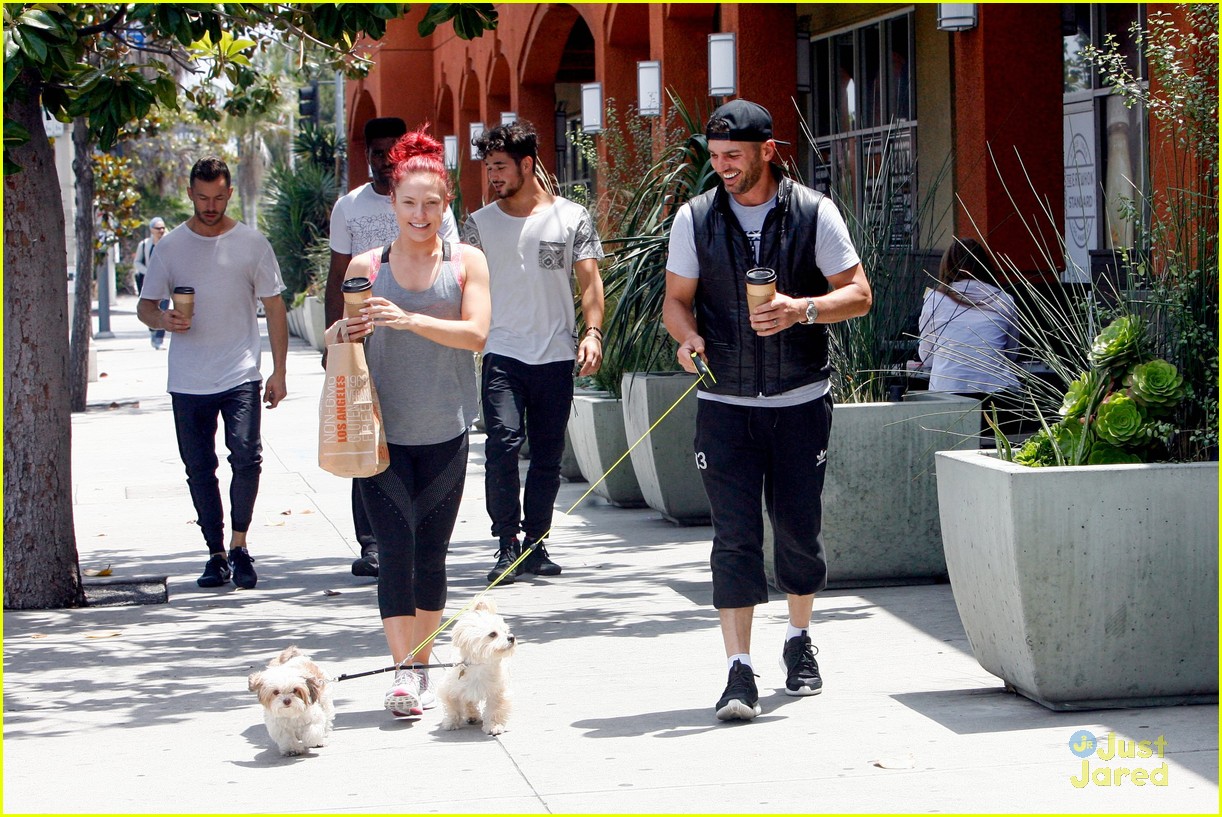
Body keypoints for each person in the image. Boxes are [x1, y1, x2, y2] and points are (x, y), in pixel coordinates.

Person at [661, 100, 872, 721]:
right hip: (723, 405)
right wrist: (687, 338)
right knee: (733, 537)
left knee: (798, 535)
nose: (721, 167)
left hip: (800, 401)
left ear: (768, 152)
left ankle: (799, 637)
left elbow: (859, 295)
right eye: (714, 156)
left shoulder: (814, 212)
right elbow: (677, 302)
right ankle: (738, 671)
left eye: (734, 157)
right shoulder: (694, 219)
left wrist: (800, 308)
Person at [327, 128, 490, 717]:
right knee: (394, 551)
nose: (420, 214)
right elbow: (336, 336)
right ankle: (406, 674)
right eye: (408, 203)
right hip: (382, 434)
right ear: (391, 204)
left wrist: (407, 320)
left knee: (432, 556)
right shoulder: (368, 265)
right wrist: (340, 334)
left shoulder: (466, 262)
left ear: (447, 205)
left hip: (446, 428)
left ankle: (420, 663)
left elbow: (476, 334)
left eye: (431, 203)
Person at [461, 120, 605, 585]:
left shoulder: (571, 217)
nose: (493, 177)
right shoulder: (479, 224)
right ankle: (506, 544)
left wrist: (593, 332)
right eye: (488, 168)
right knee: (502, 445)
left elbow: (589, 281)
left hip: (555, 353)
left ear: (527, 164)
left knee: (547, 454)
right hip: (501, 352)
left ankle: (536, 545)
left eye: (500, 167)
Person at [137, 157, 289, 590]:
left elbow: (275, 307)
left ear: (229, 194)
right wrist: (163, 319)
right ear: (190, 193)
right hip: (188, 378)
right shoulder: (170, 248)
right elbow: (146, 306)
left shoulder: (252, 243)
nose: (210, 205)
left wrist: (278, 371)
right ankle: (215, 554)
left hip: (240, 372)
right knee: (199, 468)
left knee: (246, 457)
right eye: (203, 197)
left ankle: (240, 545)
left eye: (219, 197)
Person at [326, 116, 461, 579]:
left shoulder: (433, 206)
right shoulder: (349, 207)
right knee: (367, 444)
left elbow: (456, 279)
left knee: (428, 538)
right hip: (372, 355)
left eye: (391, 150)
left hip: (434, 378)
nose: (383, 159)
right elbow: (337, 274)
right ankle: (372, 543)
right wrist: (337, 338)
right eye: (375, 151)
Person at [917, 237, 1021, 394]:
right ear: (984, 265)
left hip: (947, 393)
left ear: (947, 266)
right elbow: (1012, 353)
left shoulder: (934, 299)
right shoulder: (1005, 299)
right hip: (998, 392)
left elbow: (927, 357)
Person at [134, 216, 169, 349]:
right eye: (157, 228)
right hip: (149, 281)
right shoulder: (144, 245)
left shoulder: (169, 242)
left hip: (165, 281)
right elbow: (137, 262)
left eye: (162, 228)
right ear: (151, 230)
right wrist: (147, 271)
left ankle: (159, 339)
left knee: (164, 308)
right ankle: (153, 332)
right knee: (149, 307)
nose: (160, 231)